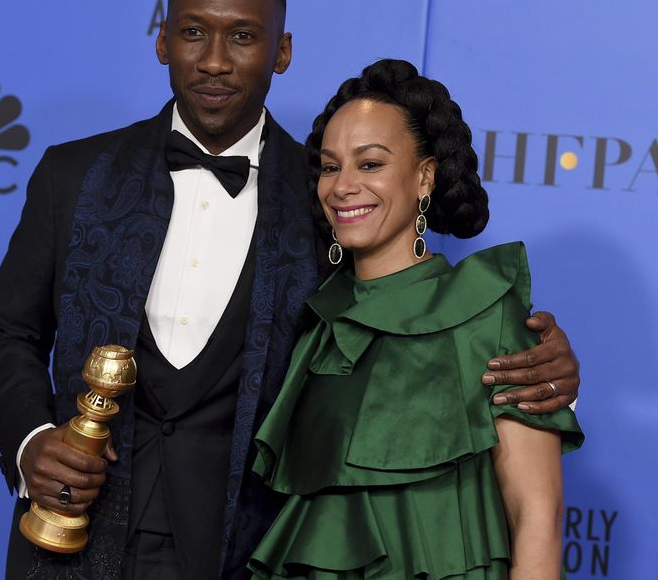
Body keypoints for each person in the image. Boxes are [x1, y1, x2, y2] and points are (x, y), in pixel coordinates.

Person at [0, 0, 581, 580]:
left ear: (282, 51)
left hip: (242, 550)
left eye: (242, 36)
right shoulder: (73, 175)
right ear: (162, 42)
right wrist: (31, 443)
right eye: (191, 33)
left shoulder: (328, 198)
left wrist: (547, 368)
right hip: (70, 538)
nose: (213, 60)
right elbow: (7, 335)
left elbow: (403, 324)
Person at [248, 59, 584, 579]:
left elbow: (537, 516)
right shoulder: (318, 322)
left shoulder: (485, 309)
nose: (342, 187)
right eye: (331, 166)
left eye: (371, 164)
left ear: (424, 176)